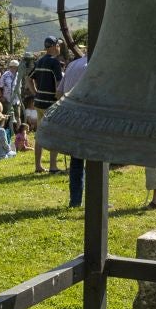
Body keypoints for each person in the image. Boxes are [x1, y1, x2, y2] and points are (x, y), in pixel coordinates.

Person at [60, 43, 90, 207]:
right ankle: (95, 199)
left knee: (76, 161)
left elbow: (59, 92)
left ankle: (75, 200)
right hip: (89, 118)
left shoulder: (72, 65)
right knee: (95, 160)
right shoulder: (92, 66)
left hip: (71, 118)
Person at [29, 37, 64, 175]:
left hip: (39, 102)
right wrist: (59, 99)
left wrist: (35, 93)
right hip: (50, 103)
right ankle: (53, 167)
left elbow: (28, 78)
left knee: (40, 134)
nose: (60, 47)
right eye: (59, 45)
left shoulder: (40, 61)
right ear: (54, 46)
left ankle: (38, 166)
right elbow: (59, 84)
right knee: (53, 134)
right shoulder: (54, 62)